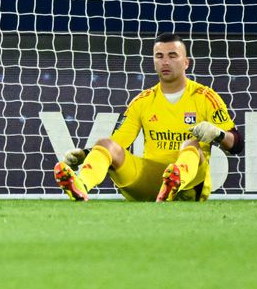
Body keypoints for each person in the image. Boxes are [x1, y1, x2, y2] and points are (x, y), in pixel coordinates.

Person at [53, 34, 243, 203]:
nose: (165, 62)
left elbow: (237, 145)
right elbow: (118, 143)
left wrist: (217, 134)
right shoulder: (143, 101)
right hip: (153, 180)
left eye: (172, 56)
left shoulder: (205, 96)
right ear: (154, 62)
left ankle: (176, 180)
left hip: (191, 187)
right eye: (159, 56)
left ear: (186, 62)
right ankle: (81, 185)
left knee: (190, 145)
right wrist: (86, 154)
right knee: (106, 143)